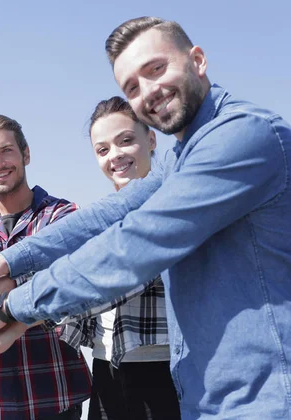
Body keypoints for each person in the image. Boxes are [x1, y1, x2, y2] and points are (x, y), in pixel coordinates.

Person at [0, 17, 291, 419]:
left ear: (197, 60)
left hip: (269, 398)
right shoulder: (181, 158)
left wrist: (13, 306)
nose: (148, 91)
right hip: (207, 396)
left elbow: (133, 245)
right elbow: (105, 215)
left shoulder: (242, 136)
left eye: (156, 69)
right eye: (132, 86)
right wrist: (6, 262)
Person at [0, 114, 91, 420]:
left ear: (25, 154)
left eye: (6, 150)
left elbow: (65, 281)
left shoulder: (62, 215)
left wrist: (6, 282)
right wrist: (30, 278)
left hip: (54, 393)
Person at [80, 96, 179, 419]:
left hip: (164, 369)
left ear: (151, 139)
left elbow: (119, 279)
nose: (115, 156)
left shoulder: (175, 206)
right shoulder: (99, 220)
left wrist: (19, 311)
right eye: (103, 149)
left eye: (126, 141)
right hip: (106, 368)